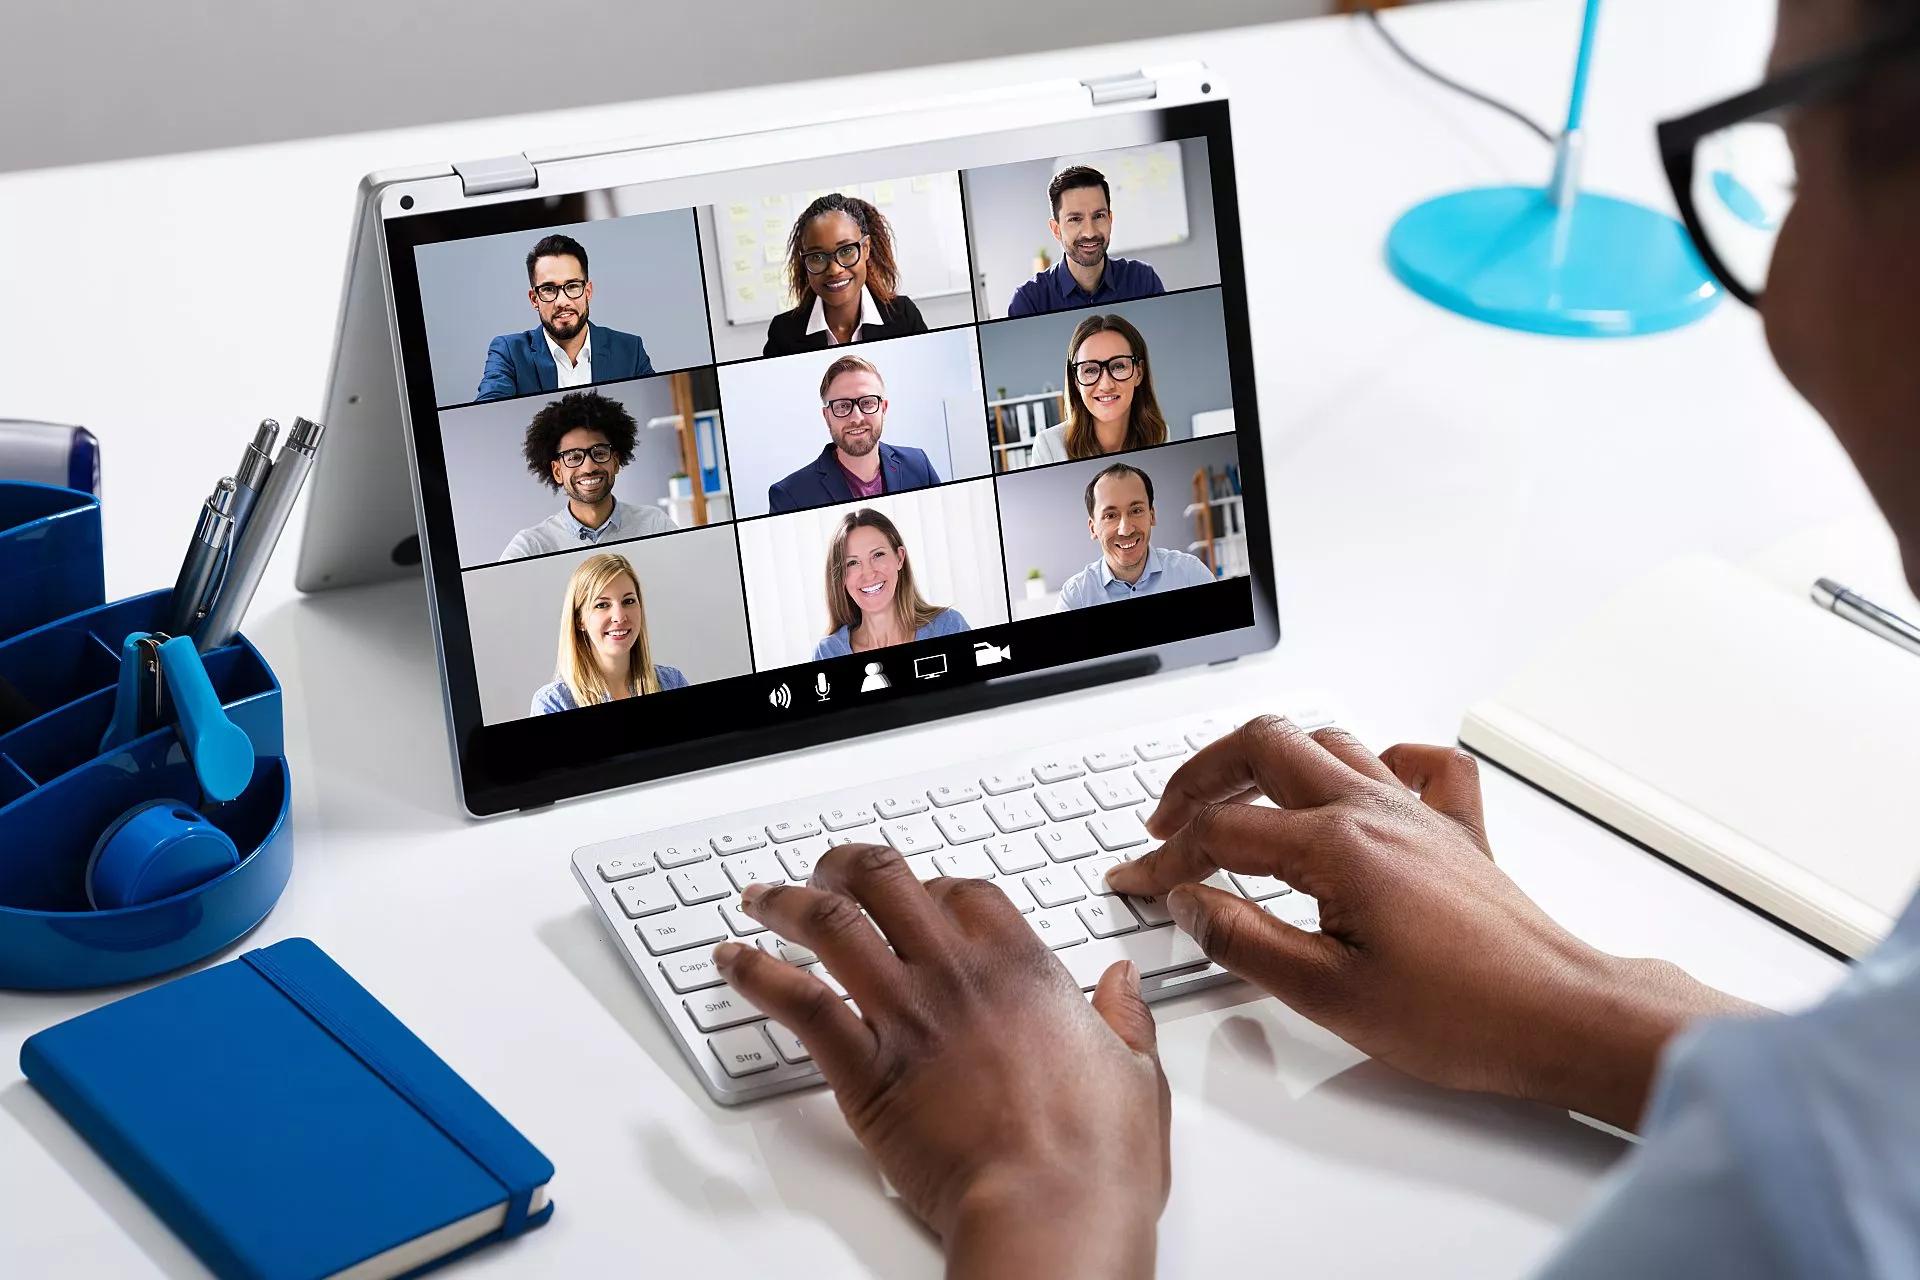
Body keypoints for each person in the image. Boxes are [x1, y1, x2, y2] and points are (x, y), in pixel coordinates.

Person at [714, 2, 1920, 1274]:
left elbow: (1859, 1147)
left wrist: (1045, 1188)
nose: (1776, 295)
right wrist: (1579, 1003)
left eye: (1790, 154)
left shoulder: (1814, 1203)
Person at [475, 234, 655, 402]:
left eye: (572, 286)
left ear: (588, 292)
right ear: (534, 299)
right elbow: (486, 407)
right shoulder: (509, 353)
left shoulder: (631, 350)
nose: (562, 301)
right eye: (548, 289)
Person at [501, 390, 676, 561]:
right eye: (574, 457)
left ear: (615, 463)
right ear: (557, 472)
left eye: (599, 453)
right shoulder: (531, 547)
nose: (589, 467)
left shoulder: (654, 525)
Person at [767, 355, 942, 514]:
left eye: (867, 403)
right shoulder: (790, 496)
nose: (856, 418)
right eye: (842, 406)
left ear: (883, 408)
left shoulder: (919, 465)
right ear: (826, 416)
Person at [762, 194, 929, 356]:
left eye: (847, 250)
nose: (834, 270)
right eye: (817, 257)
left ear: (866, 249)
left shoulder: (904, 317)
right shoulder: (783, 333)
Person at [531, 551, 687, 715]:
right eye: (602, 605)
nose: (619, 617)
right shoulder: (553, 703)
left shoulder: (672, 682)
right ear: (579, 620)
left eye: (628, 601)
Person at [1005, 165, 1166, 318]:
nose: (1090, 232)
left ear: (1110, 219)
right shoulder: (1029, 302)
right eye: (1075, 219)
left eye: (1098, 216)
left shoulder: (1143, 280)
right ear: (1056, 229)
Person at [811, 509, 969, 659]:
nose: (869, 574)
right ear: (841, 577)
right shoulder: (828, 652)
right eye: (852, 563)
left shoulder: (947, 627)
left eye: (878, 555)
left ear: (899, 558)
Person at [1059, 463, 1214, 609]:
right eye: (1110, 515)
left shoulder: (1190, 574)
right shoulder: (1075, 597)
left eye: (1136, 511)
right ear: (1093, 528)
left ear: (1151, 516)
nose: (1126, 530)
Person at [1029, 313, 1168, 465]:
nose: (1106, 385)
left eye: (1118, 366)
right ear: (1075, 380)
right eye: (1090, 370)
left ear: (1139, 373)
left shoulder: (1160, 435)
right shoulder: (1048, 447)